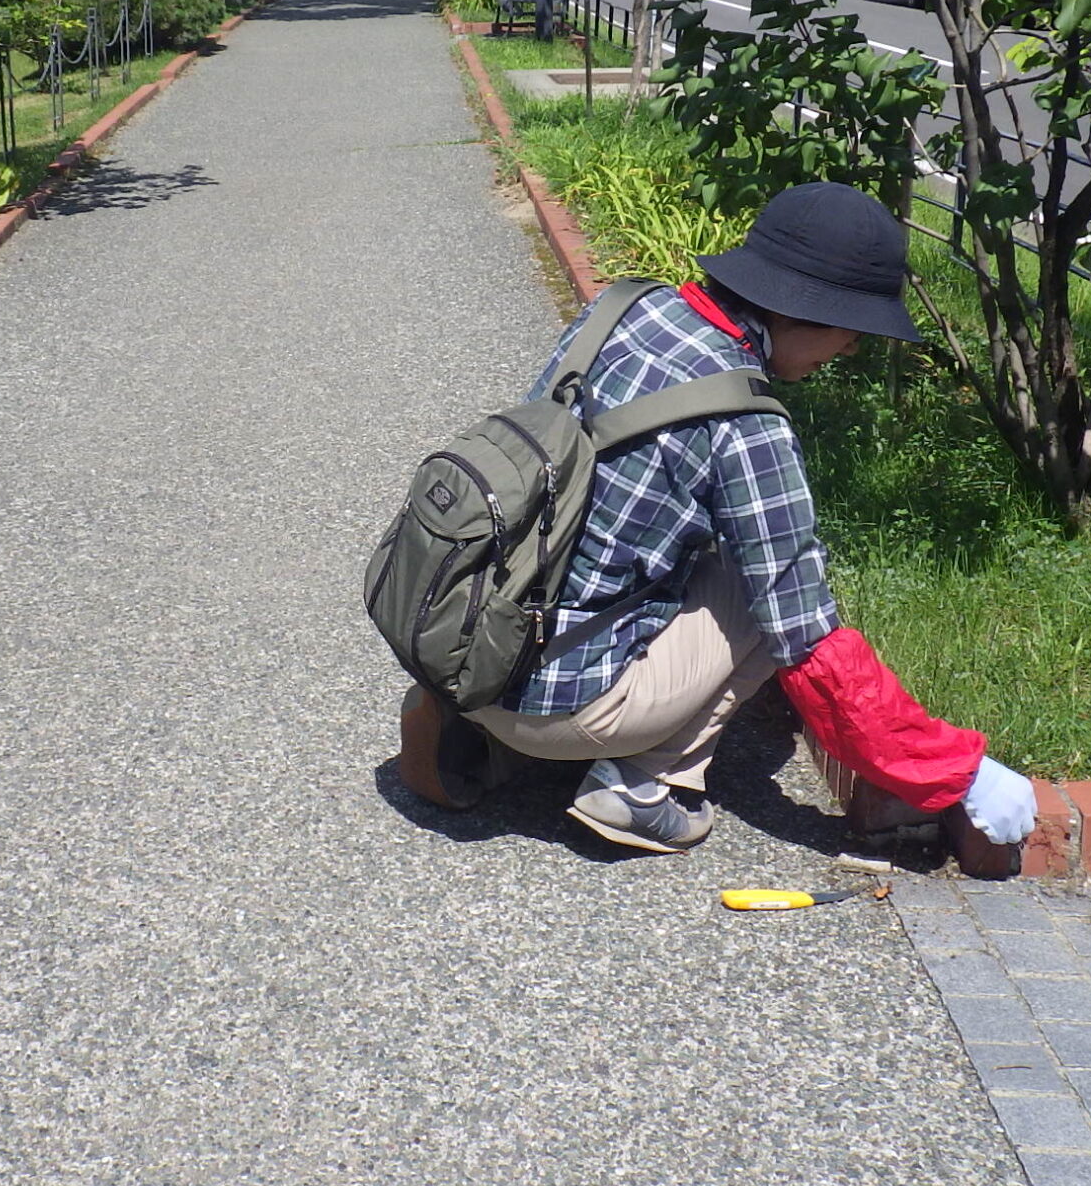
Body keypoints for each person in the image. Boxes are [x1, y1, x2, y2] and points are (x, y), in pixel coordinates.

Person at [398, 182, 1040, 859]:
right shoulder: (744, 421)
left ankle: (480, 731)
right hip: (563, 701)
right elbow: (810, 642)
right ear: (799, 310)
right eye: (850, 329)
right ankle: (640, 787)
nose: (850, 348)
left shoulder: (625, 308)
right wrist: (959, 774)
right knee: (767, 589)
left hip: (474, 644)